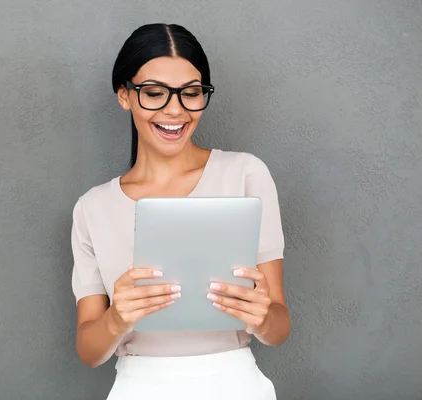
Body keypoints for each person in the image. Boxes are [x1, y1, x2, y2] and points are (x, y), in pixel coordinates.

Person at [70, 23, 291, 399]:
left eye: (191, 93)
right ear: (124, 95)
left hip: (236, 384)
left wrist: (262, 318)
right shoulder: (93, 208)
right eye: (154, 93)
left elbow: (279, 326)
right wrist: (116, 319)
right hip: (139, 387)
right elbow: (89, 352)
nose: (176, 110)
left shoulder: (246, 174)